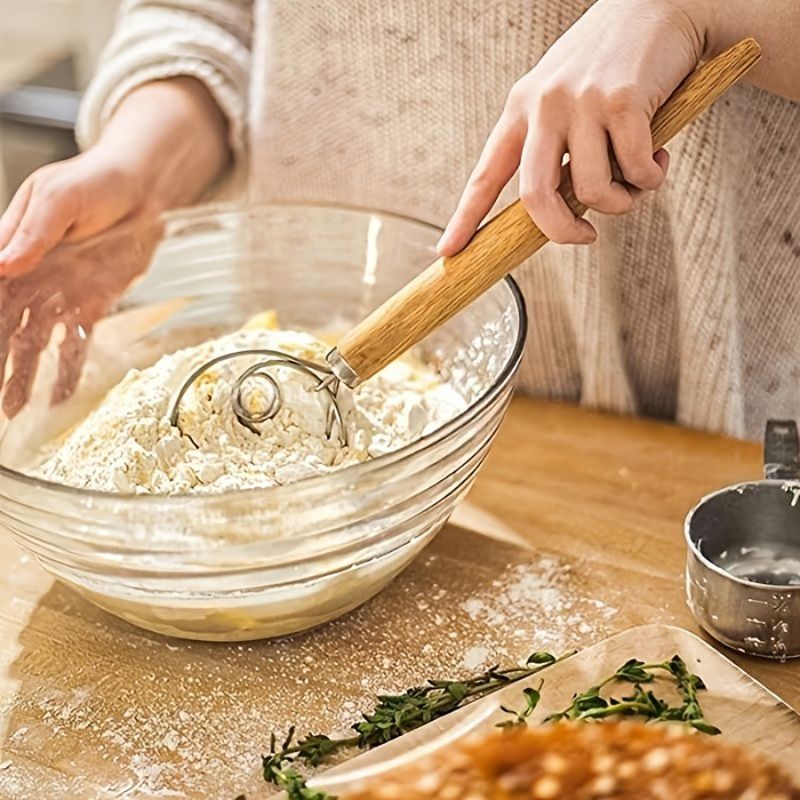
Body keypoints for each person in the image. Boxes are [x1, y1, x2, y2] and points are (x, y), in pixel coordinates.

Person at [0, 0, 798, 437]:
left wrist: (683, 8)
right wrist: (135, 166)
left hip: (697, 408)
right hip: (353, 381)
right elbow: (214, 18)